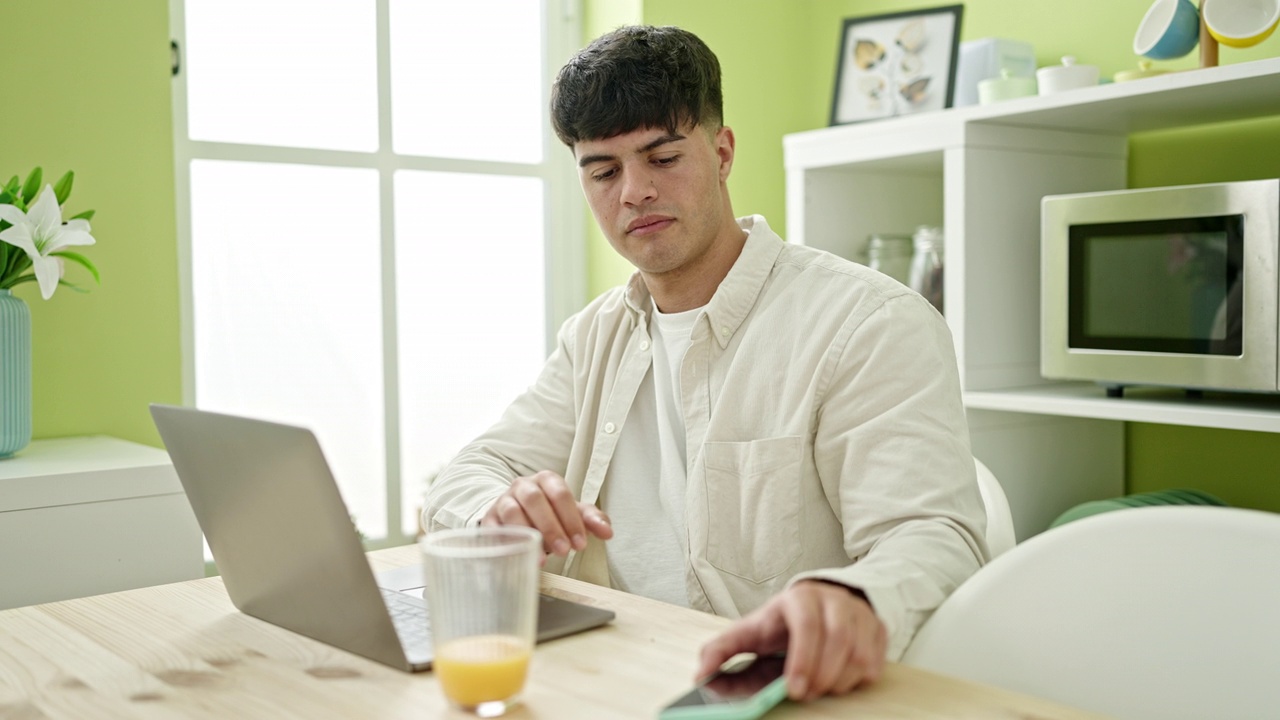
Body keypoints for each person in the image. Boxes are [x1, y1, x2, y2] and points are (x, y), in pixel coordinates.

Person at [422, 24, 988, 701]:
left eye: (662, 158)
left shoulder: (870, 324)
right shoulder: (594, 335)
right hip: (613, 675)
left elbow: (934, 536)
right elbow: (464, 477)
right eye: (603, 171)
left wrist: (853, 598)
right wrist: (501, 510)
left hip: (775, 692)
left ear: (721, 153)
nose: (633, 192)